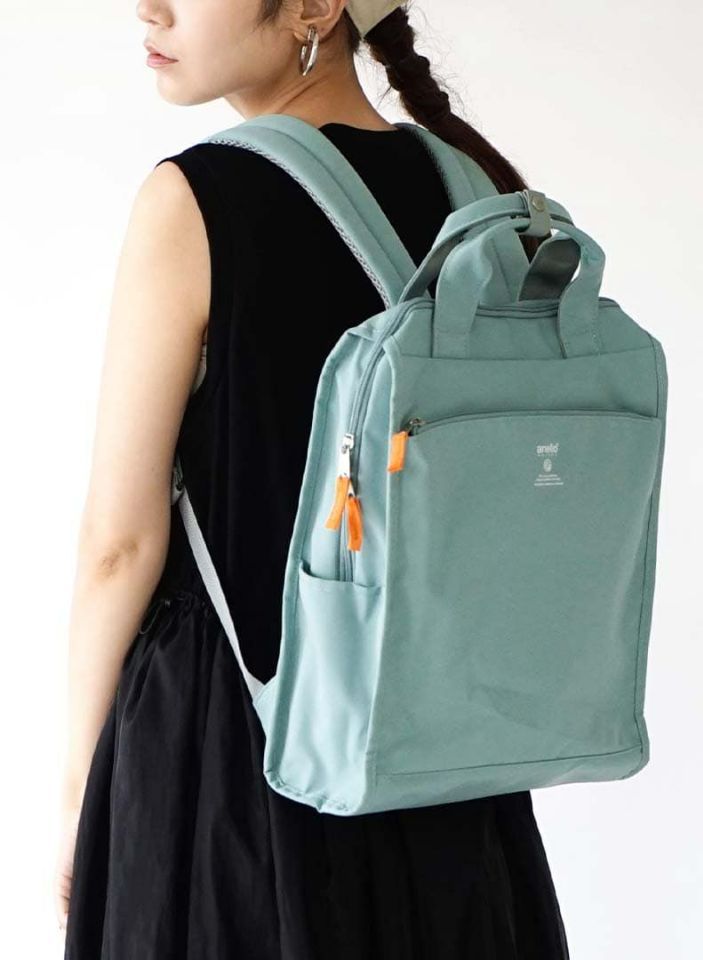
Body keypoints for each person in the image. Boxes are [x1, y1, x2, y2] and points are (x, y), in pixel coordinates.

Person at [55, 1, 571, 957]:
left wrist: (79, 795)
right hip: (445, 757)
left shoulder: (194, 198)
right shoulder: (481, 194)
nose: (149, 8)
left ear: (313, 8)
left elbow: (119, 544)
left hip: (234, 750)